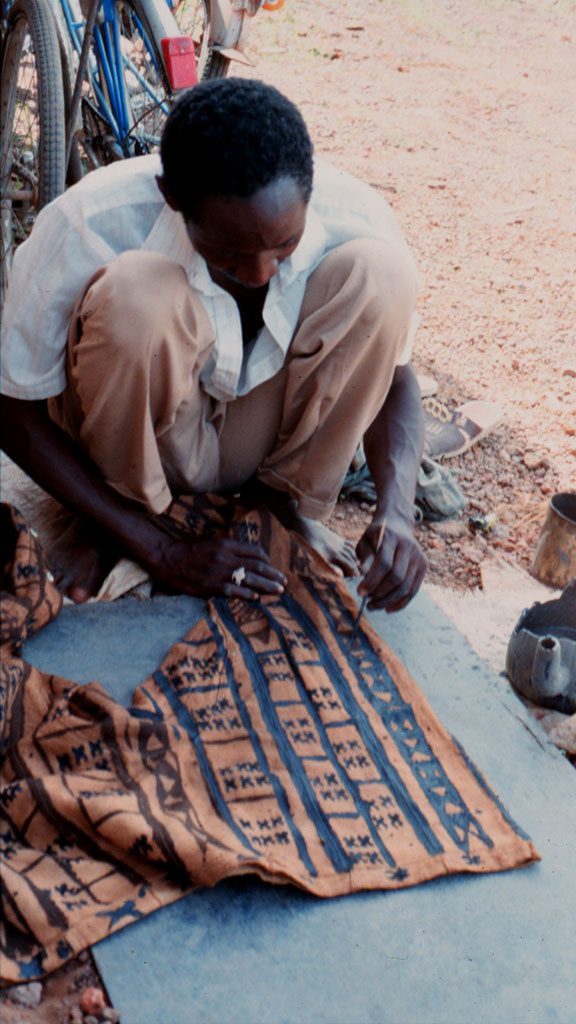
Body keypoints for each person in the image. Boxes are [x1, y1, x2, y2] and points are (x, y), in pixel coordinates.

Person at [0, 78, 427, 610]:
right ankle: (116, 517)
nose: (260, 271)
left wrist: (398, 512)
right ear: (172, 198)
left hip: (256, 443)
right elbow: (12, 407)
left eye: (285, 245)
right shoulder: (88, 221)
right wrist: (158, 550)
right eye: (227, 254)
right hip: (129, 442)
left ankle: (277, 507)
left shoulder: (359, 217)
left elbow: (396, 380)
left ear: (309, 193)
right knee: (136, 298)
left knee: (382, 278)